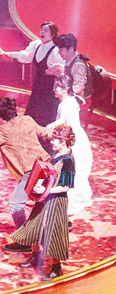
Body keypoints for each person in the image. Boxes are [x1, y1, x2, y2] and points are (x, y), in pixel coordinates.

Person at [0, 97, 52, 229]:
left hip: (32, 172)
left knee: (16, 205)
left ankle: (23, 236)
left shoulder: (4, 131)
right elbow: (44, 132)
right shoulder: (27, 120)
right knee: (45, 197)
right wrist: (61, 136)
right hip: (45, 164)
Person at [5, 124, 75, 279]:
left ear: (63, 141)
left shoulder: (68, 160)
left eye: (55, 139)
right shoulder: (57, 153)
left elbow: (66, 186)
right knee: (34, 226)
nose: (51, 141)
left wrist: (45, 190)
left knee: (53, 233)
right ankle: (35, 256)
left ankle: (56, 269)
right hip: (44, 197)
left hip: (56, 201)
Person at [4, 22, 64, 128]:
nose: (42, 32)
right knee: (33, 111)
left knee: (46, 114)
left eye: (46, 30)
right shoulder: (36, 45)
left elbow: (65, 68)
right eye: (41, 30)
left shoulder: (55, 50)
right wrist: (10, 54)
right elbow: (26, 56)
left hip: (50, 88)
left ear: (52, 35)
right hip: (37, 85)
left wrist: (58, 67)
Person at [48, 76, 92, 215]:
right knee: (79, 168)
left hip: (71, 137)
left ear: (65, 89)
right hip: (78, 135)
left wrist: (49, 127)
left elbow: (61, 122)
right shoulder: (72, 100)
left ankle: (69, 203)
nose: (54, 89)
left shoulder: (64, 104)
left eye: (58, 86)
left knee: (71, 168)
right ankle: (79, 198)